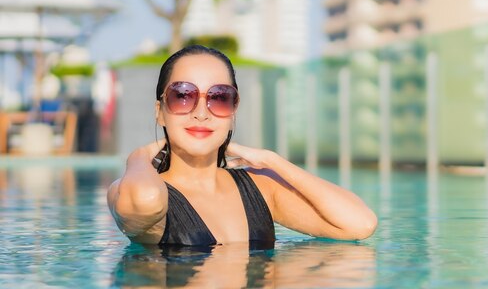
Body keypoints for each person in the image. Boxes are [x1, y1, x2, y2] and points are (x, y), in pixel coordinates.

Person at [107, 45, 377, 247]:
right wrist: (138, 158)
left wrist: (273, 161)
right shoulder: (132, 189)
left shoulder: (260, 187)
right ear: (160, 111)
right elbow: (145, 201)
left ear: (233, 111)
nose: (202, 112)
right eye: (182, 96)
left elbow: (360, 224)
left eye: (220, 97)